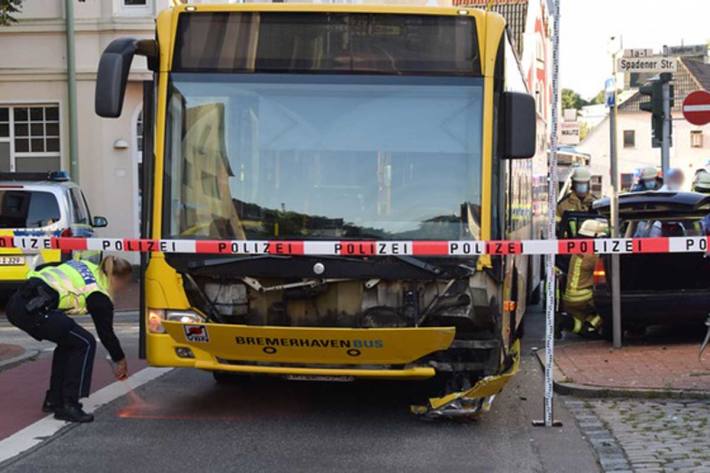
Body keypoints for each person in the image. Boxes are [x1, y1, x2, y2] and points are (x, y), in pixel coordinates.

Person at [5, 256, 133, 423]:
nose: (124, 288)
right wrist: (120, 359)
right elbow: (106, 333)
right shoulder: (99, 294)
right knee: (85, 343)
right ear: (116, 278)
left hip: (18, 302)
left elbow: (46, 266)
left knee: (70, 341)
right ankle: (69, 405)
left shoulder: (84, 265)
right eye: (125, 283)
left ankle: (54, 399)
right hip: (35, 310)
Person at [559, 219, 608, 337]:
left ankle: (568, 323)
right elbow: (608, 272)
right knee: (610, 302)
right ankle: (590, 327)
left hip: (570, 298)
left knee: (579, 325)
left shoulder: (577, 250)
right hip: (583, 298)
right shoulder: (591, 255)